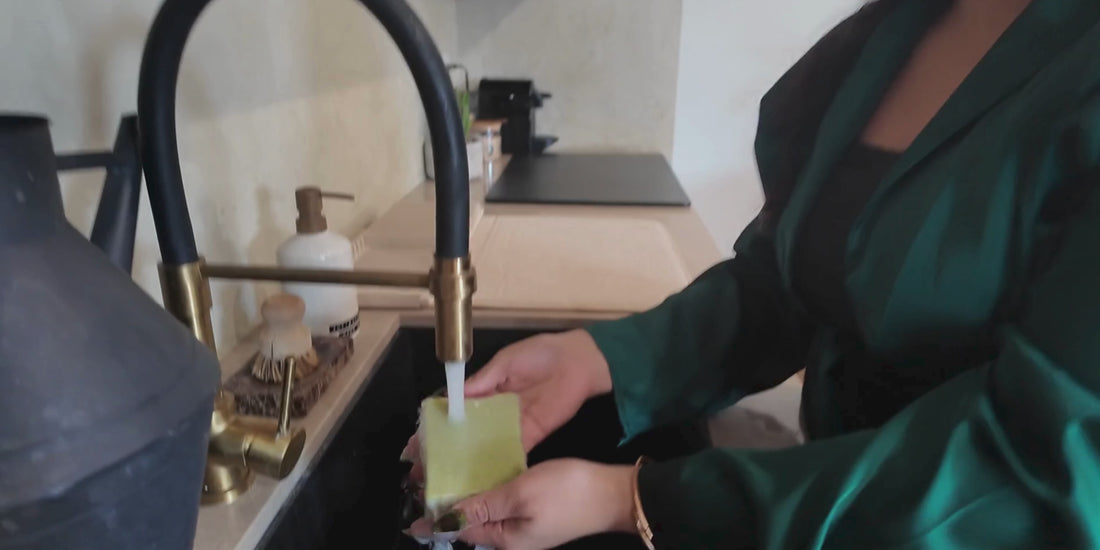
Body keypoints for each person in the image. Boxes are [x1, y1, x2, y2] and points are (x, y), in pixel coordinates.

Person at [409, 0, 1100, 547]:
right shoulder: (904, 29)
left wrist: (632, 500)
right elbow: (795, 284)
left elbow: (1036, 468)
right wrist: (594, 357)